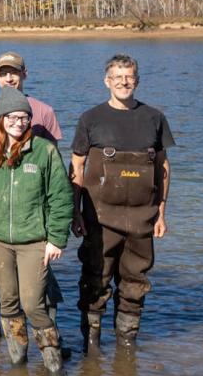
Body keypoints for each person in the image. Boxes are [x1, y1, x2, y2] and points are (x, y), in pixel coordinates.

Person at [0, 86, 73, 376]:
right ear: (0, 119)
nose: (18, 122)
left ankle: (52, 363)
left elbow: (61, 197)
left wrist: (56, 238)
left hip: (34, 241)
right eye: (12, 116)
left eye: (24, 117)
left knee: (33, 302)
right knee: (9, 302)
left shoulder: (44, 151)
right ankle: (18, 362)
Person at [72, 54, 174, 353]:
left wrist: (162, 213)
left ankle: (126, 346)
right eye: (117, 77)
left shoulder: (154, 118)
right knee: (95, 280)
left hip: (143, 218)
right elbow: (76, 167)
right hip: (99, 218)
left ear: (137, 80)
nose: (124, 82)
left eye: (129, 77)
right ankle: (91, 345)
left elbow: (164, 169)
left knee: (134, 282)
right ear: (107, 81)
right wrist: (76, 213)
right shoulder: (91, 118)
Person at [0, 52, 63, 148]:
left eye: (14, 73)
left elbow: (51, 152)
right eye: (3, 74)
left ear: (24, 74)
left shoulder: (45, 111)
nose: (8, 79)